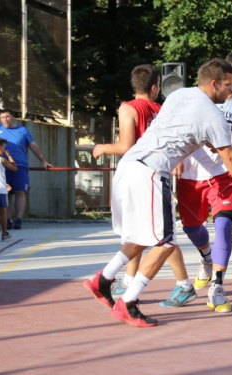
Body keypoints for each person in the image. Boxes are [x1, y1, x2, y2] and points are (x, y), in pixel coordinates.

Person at [82, 58, 232, 328]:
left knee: (144, 237)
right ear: (214, 83)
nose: (231, 91)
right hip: (152, 173)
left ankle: (101, 281)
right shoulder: (213, 114)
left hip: (129, 166)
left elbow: (191, 135)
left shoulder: (180, 94)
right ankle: (128, 303)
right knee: (166, 242)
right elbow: (228, 157)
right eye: (227, 85)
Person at [160, 52, 232, 313]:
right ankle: (206, 257)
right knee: (192, 228)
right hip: (191, 174)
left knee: (224, 223)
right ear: (225, 73)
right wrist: (176, 156)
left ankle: (217, 287)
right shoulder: (194, 97)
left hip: (224, 174)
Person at [91, 64, 163, 299]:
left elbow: (125, 146)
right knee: (159, 235)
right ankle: (124, 286)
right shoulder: (161, 109)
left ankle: (118, 282)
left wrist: (102, 147)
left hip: (134, 173)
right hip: (152, 174)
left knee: (145, 234)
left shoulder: (128, 108)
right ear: (155, 87)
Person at [0, 109, 53, 230]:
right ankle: (7, 220)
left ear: (13, 117)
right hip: (2, 167)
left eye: (7, 117)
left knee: (20, 191)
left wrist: (43, 161)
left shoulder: (23, 131)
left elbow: (33, 146)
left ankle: (18, 219)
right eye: (2, 117)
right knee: (5, 193)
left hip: (20, 166)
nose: (5, 120)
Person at [0, 138, 17, 241]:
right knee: (3, 212)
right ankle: (4, 234)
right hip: (1, 189)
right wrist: (9, 156)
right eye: (4, 148)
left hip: (2, 186)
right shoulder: (2, 159)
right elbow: (15, 168)